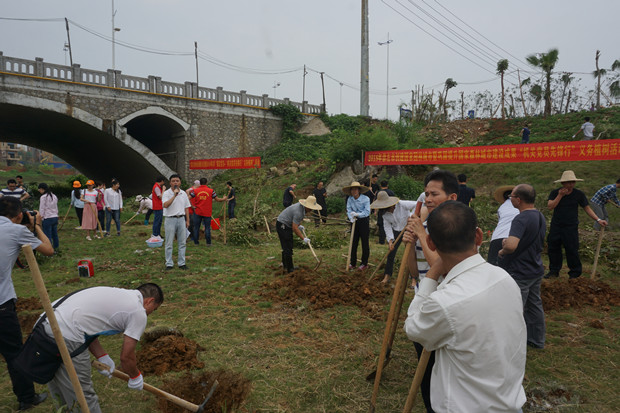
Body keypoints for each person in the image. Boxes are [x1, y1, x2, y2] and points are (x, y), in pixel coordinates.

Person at [404, 201, 526, 413]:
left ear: (431, 243)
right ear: (478, 236)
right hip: (509, 401)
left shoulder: (444, 302)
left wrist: (432, 274)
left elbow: (414, 328)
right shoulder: (505, 278)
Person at [42, 283, 163, 413]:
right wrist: (135, 376)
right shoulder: (138, 311)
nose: (151, 313)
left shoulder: (118, 295)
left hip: (45, 324)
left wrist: (102, 356)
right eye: (154, 309)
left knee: (60, 386)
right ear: (150, 301)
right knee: (82, 394)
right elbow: (126, 357)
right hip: (67, 333)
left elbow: (88, 326)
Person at [402, 169, 459, 413]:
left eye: (434, 193)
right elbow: (414, 271)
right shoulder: (422, 226)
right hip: (424, 300)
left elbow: (444, 266)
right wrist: (411, 243)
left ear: (452, 198)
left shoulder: (460, 227)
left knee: (447, 369)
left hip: (449, 305)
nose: (428, 198)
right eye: (426, 193)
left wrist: (422, 236)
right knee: (425, 369)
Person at [0, 197, 53, 410]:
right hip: (2, 304)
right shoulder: (16, 231)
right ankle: (26, 397)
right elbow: (48, 250)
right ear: (20, 215)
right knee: (13, 353)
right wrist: (36, 225)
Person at [498, 184, 547, 349]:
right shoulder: (539, 216)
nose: (510, 199)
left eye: (511, 196)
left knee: (514, 308)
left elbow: (512, 246)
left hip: (520, 271)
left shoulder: (521, 218)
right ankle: (537, 340)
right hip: (535, 268)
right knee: (535, 306)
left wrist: (503, 249)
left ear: (518, 200)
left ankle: (512, 344)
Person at [546, 170, 607, 279]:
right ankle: (554, 271)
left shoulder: (579, 194)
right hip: (557, 225)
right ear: (563, 183)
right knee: (553, 248)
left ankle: (574, 273)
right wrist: (560, 195)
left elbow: (587, 208)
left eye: (573, 182)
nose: (571, 184)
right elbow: (550, 206)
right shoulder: (555, 193)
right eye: (568, 182)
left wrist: (598, 219)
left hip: (571, 226)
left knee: (572, 249)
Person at [370, 191, 417, 284]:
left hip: (408, 229)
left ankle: (414, 278)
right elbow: (387, 227)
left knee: (411, 253)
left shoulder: (402, 204)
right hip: (396, 231)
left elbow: (417, 204)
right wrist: (390, 240)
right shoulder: (384, 214)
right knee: (391, 253)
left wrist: (412, 216)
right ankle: (387, 275)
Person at [276, 196, 322, 273]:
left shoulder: (302, 209)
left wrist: (298, 225)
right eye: (310, 208)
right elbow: (294, 228)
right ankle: (290, 269)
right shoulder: (298, 211)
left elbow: (296, 221)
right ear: (306, 206)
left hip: (286, 224)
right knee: (287, 246)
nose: (311, 210)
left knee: (288, 245)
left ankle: (285, 265)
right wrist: (303, 238)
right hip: (282, 225)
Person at [162, 174, 191, 270]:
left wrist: (187, 220)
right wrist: (174, 195)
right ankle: (169, 263)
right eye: (173, 181)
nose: (175, 182)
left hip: (181, 219)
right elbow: (165, 205)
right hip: (170, 219)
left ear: (180, 182)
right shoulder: (166, 193)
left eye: (177, 181)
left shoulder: (183, 193)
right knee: (169, 243)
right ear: (170, 183)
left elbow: (186, 207)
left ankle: (181, 263)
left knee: (182, 242)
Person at [487, 185, 520, 266]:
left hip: (497, 237)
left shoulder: (501, 207)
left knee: (492, 267)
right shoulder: (520, 206)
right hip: (514, 238)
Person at [344, 181, 371, 270]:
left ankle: (364, 263)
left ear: (359, 190)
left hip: (363, 221)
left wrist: (357, 214)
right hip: (354, 221)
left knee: (364, 243)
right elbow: (348, 209)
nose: (354, 191)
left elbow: (367, 212)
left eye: (355, 189)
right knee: (353, 242)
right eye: (352, 189)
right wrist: (350, 217)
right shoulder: (350, 199)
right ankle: (353, 262)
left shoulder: (366, 199)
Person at [189, 178, 221, 246]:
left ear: (200, 183)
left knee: (196, 227)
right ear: (206, 183)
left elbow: (188, 198)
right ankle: (208, 243)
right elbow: (217, 199)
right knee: (207, 228)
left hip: (197, 211)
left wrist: (192, 205)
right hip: (207, 212)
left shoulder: (195, 191)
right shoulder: (211, 191)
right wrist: (224, 198)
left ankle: (196, 243)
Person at [38, 183, 60, 253]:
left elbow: (42, 208)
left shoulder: (43, 197)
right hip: (55, 217)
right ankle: (56, 248)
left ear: (42, 189)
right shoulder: (54, 196)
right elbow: (56, 207)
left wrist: (40, 217)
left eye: (39, 190)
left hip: (47, 218)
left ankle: (49, 250)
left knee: (47, 236)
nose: (39, 191)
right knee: (55, 234)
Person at [376, 180, 395, 245]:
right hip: (390, 210)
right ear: (387, 185)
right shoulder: (391, 192)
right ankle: (391, 240)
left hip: (381, 210)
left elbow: (376, 202)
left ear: (380, 186)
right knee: (391, 225)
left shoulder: (379, 192)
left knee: (381, 226)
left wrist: (375, 211)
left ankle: (381, 241)